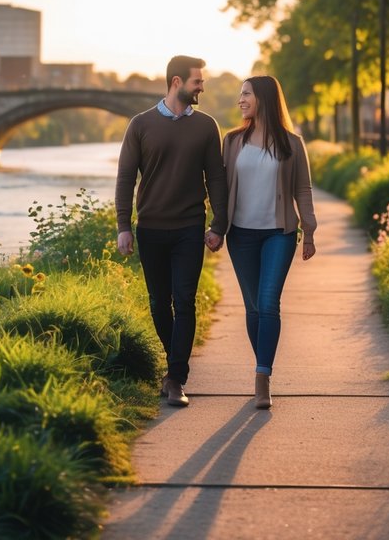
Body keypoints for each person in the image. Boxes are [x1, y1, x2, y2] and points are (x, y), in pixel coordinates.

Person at [116, 55, 228, 407]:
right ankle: (173, 363)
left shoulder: (207, 126)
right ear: (177, 82)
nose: (202, 87)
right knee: (158, 304)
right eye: (197, 81)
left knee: (184, 301)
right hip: (150, 228)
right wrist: (123, 226)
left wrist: (218, 225)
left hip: (188, 228)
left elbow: (217, 179)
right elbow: (125, 178)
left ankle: (177, 378)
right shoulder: (140, 124)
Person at [222, 75, 317, 410]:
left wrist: (309, 228)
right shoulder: (232, 141)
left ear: (262, 98)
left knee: (267, 304)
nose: (240, 100)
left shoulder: (292, 143)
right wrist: (216, 227)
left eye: (245, 94)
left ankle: (262, 379)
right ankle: (262, 363)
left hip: (279, 234)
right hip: (241, 235)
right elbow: (220, 189)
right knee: (252, 308)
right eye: (240, 95)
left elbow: (303, 189)